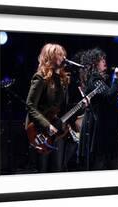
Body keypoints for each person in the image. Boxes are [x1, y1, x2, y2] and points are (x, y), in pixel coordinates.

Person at [25, 43, 70, 173]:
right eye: (59, 54)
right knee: (42, 170)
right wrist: (46, 125)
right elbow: (30, 105)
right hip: (39, 130)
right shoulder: (40, 77)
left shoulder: (62, 80)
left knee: (57, 168)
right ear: (50, 57)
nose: (63, 57)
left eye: (63, 54)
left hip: (56, 130)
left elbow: (62, 107)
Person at [78, 48, 118, 171]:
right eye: (101, 59)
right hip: (100, 133)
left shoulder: (101, 81)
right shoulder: (94, 80)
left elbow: (107, 99)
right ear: (94, 63)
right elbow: (109, 96)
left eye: (104, 59)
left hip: (106, 131)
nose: (104, 61)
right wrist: (117, 79)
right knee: (101, 164)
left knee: (109, 163)